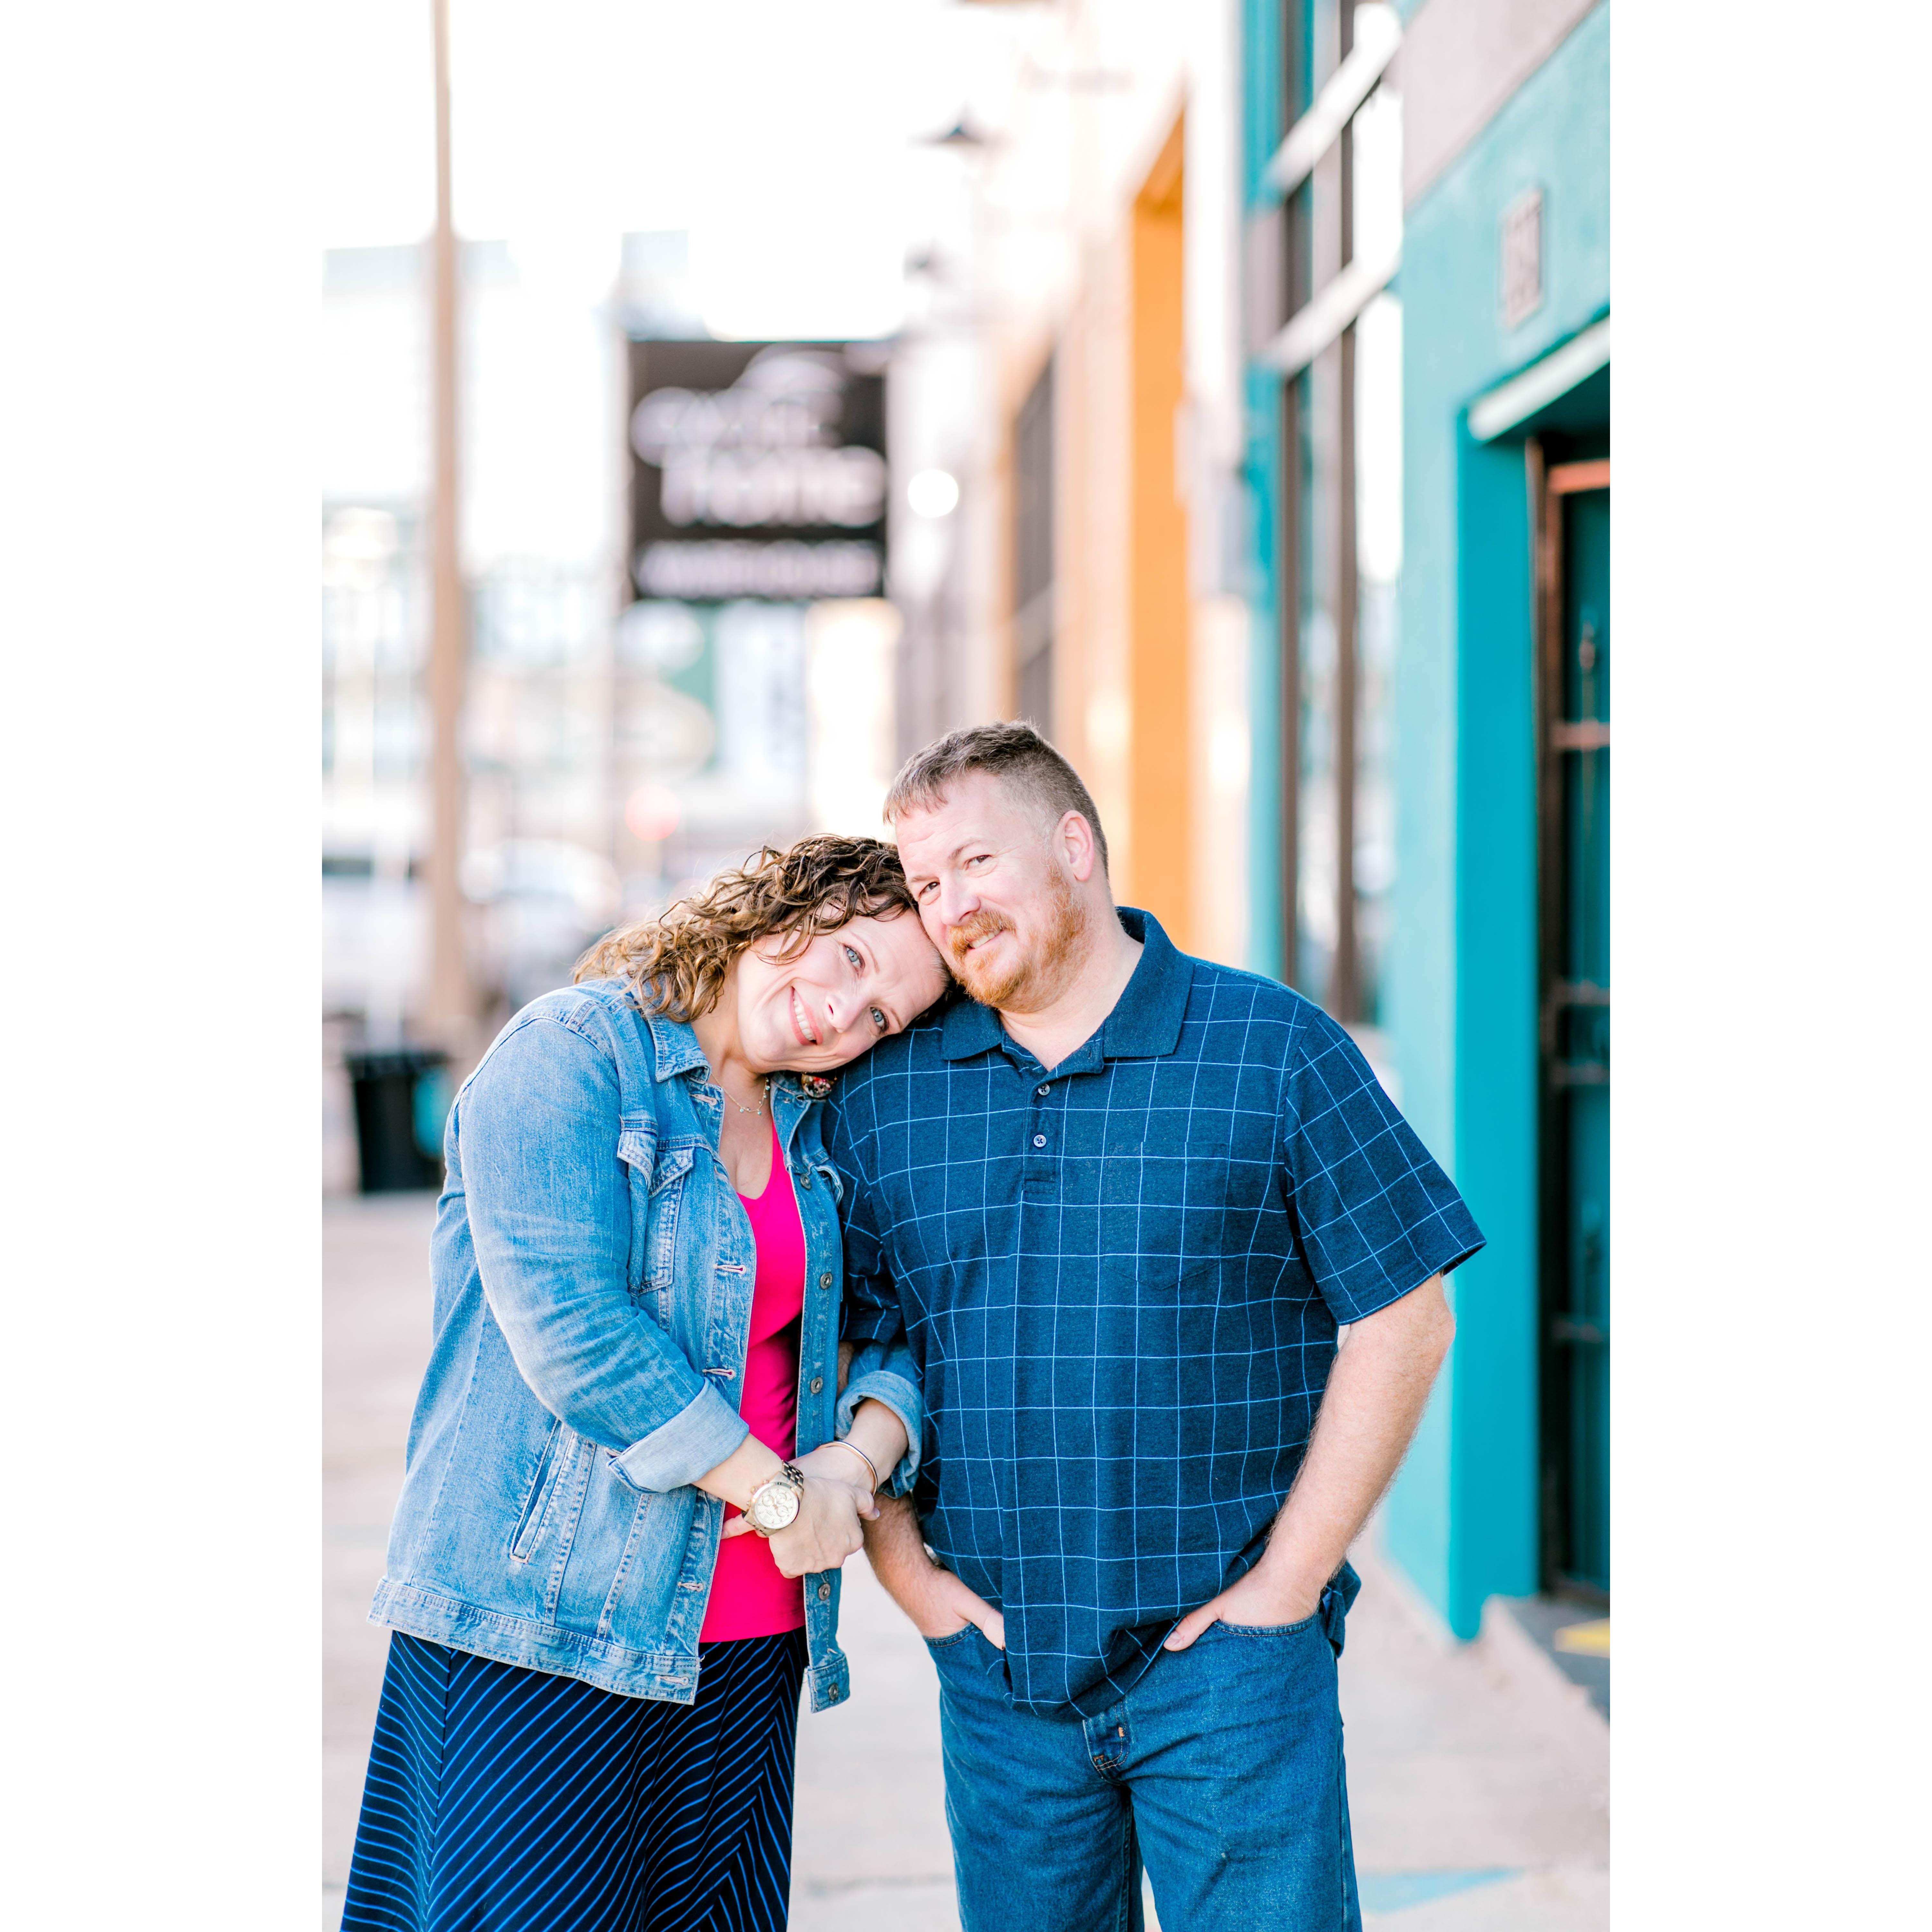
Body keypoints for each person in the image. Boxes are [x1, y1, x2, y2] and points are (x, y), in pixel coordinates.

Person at [825, 724, 1486, 1932]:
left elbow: (1406, 1314)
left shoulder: (1272, 1048)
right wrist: (910, 1577)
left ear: (1076, 845)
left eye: (977, 861)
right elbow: (865, 1348)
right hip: (1003, 1681)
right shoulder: (885, 1095)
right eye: (927, 885)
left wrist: (1288, 1586)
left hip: (1232, 1676)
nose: (952, 906)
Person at [340, 836, 951, 1932]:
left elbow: (897, 1327)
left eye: (883, 1018)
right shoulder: (570, 1055)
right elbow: (576, 1334)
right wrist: (777, 1495)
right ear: (789, 906)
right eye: (855, 963)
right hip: (541, 1629)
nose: (845, 1016)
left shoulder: (821, 1127)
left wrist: (852, 1469)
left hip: (753, 1640)